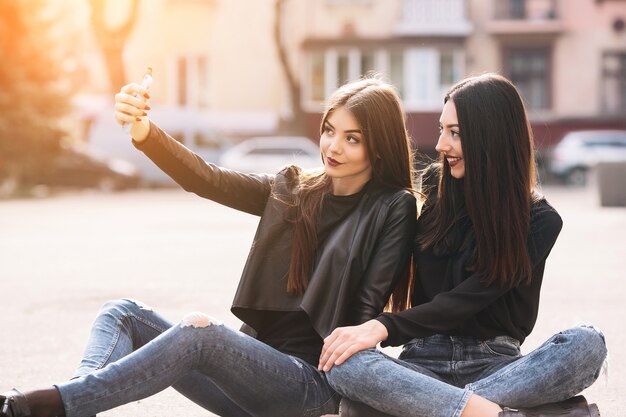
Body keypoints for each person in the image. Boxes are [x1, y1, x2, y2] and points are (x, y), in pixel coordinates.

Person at [0, 76, 418, 417]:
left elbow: (364, 319)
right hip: (247, 377)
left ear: (378, 146)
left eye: (352, 138)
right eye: (330, 131)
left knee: (201, 331)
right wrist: (144, 132)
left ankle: (46, 405)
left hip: (311, 385)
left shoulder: (392, 207)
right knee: (122, 314)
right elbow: (208, 179)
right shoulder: (295, 188)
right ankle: (76, 401)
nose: (333, 147)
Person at [317, 73, 608, 417]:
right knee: (344, 364)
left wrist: (384, 326)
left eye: (454, 133)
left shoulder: (540, 219)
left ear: (491, 137)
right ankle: (501, 413)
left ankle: (443, 408)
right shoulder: (435, 188)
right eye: (442, 130)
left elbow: (470, 297)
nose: (440, 145)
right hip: (422, 363)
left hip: (496, 367)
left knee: (587, 343)